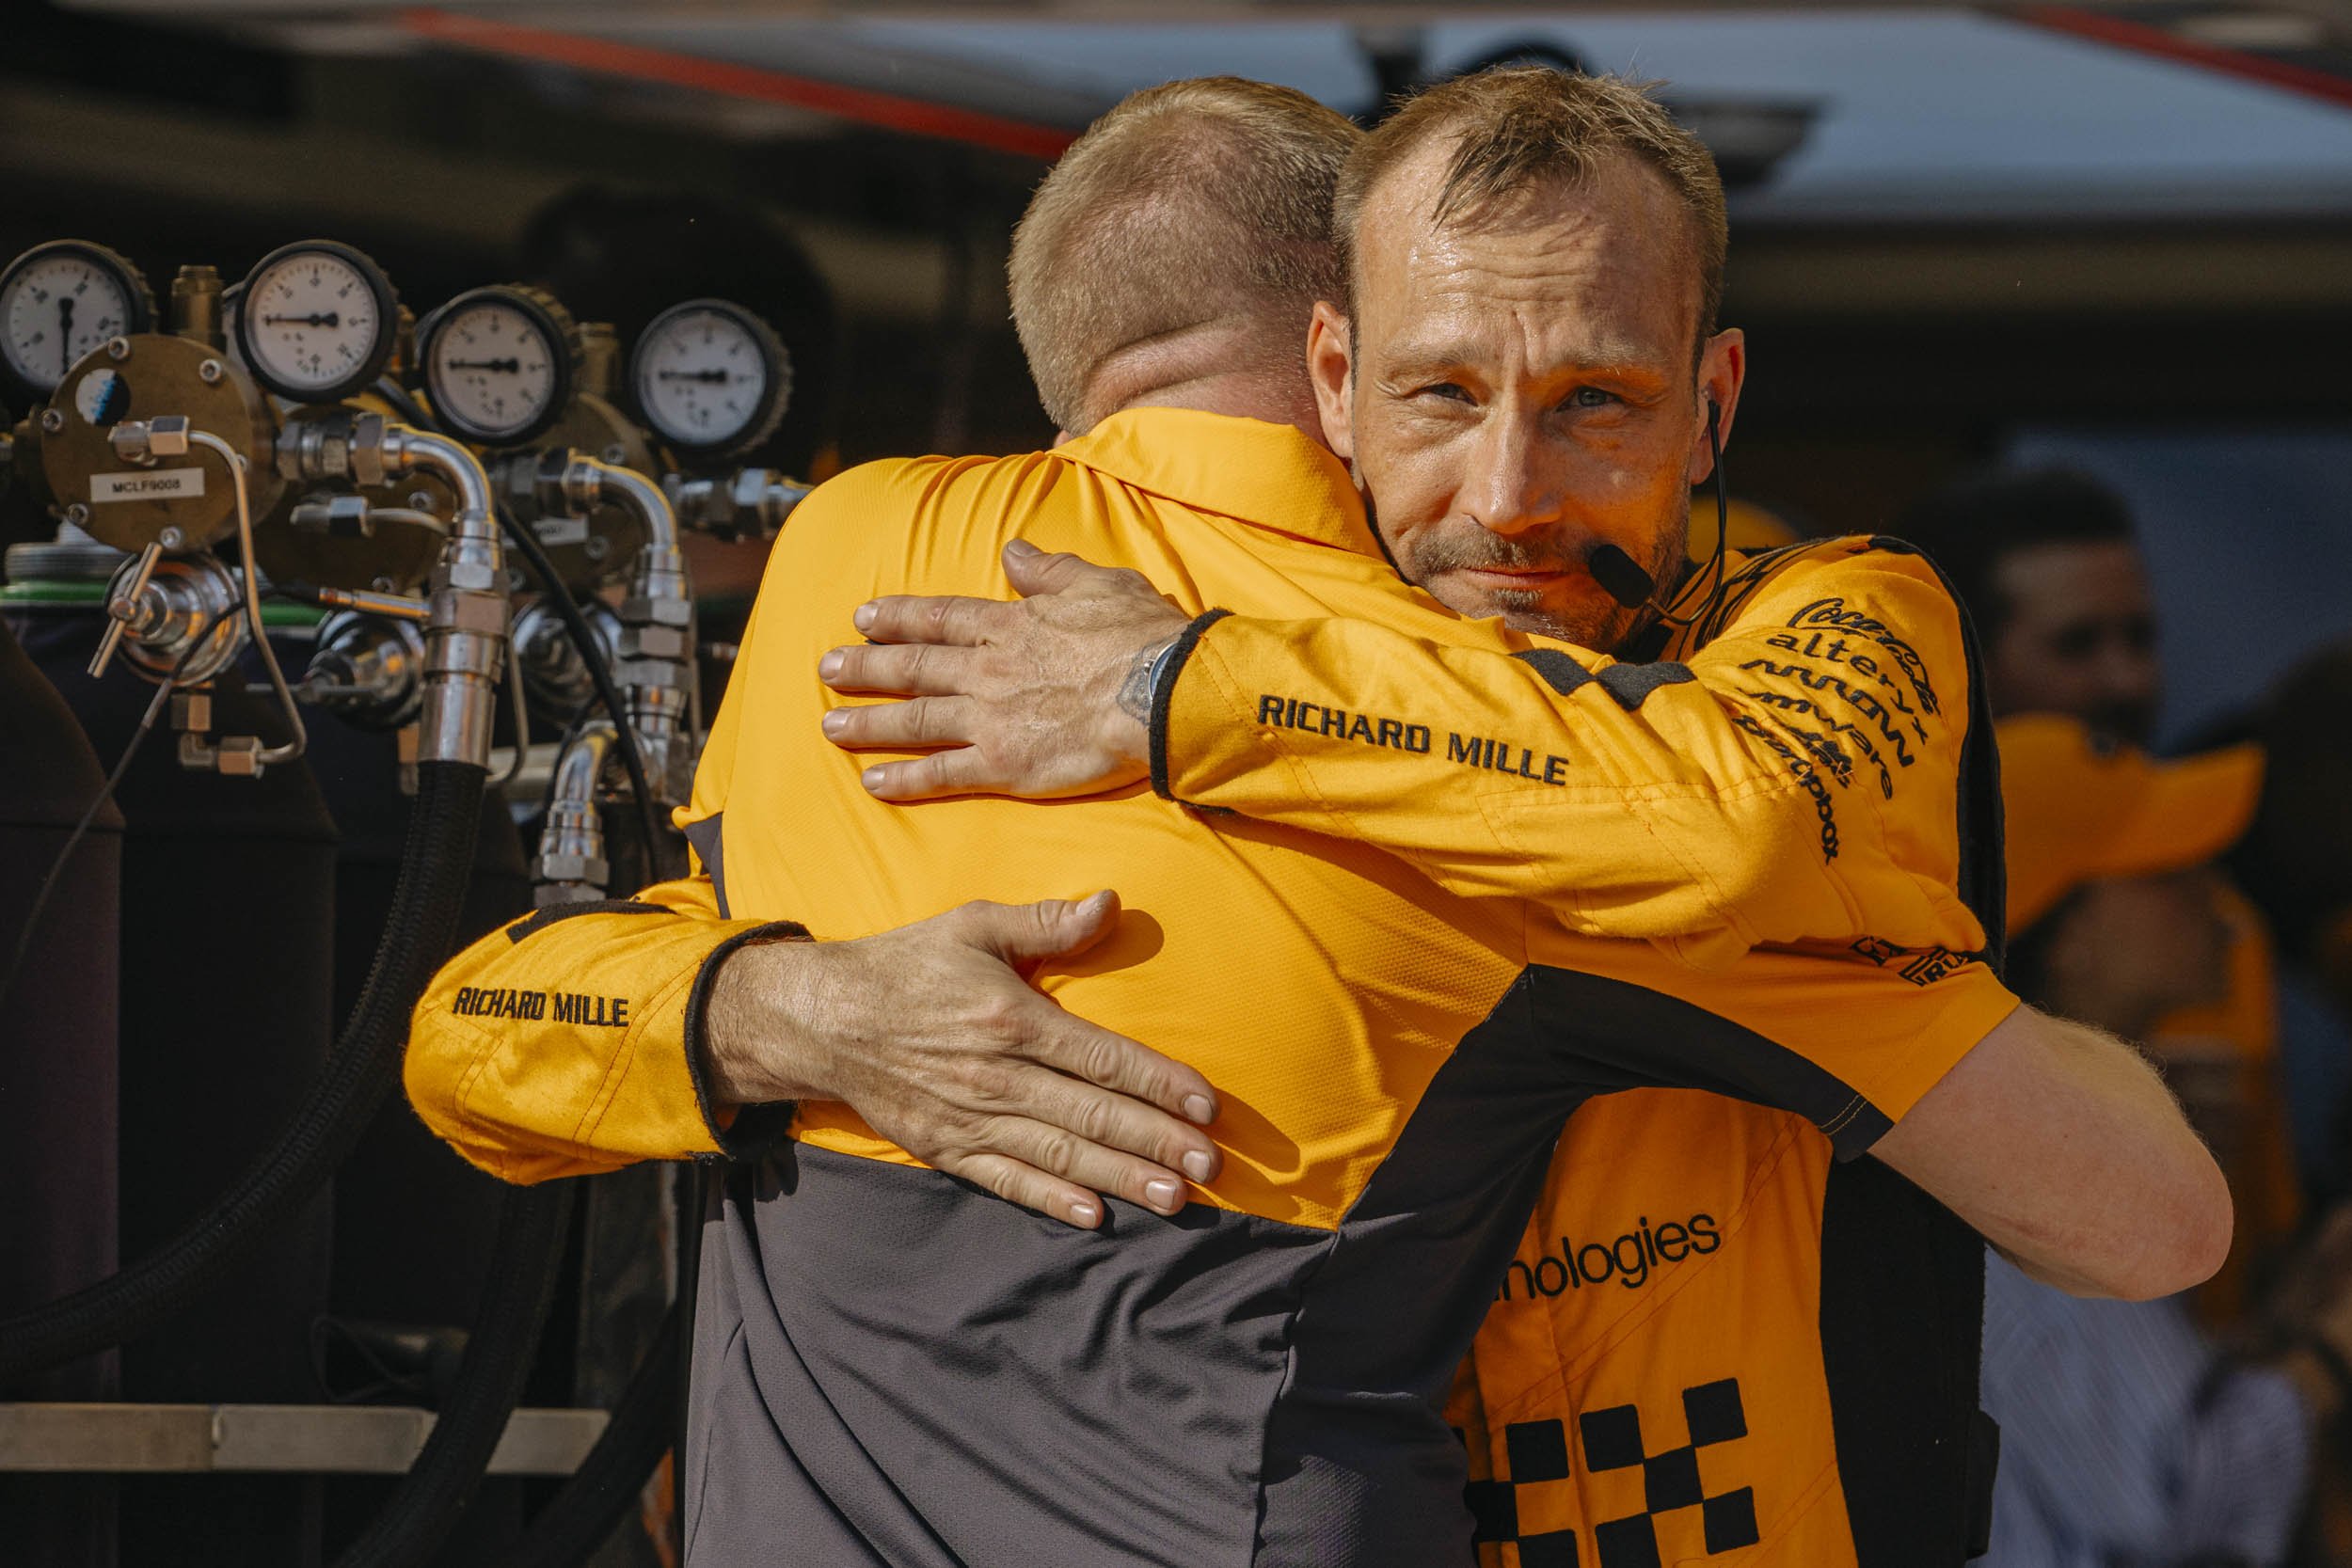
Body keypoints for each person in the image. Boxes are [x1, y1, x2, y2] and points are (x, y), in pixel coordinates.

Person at [406, 73, 2223, 1565]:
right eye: (1442, 394)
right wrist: (787, 1009)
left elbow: (478, 1031)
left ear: (1711, 401)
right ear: (1331, 382)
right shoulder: (926, 613)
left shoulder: (868, 557)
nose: (1507, 497)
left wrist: (1182, 690)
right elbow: (459, 1032)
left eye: (1594, 400)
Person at [1902, 468, 2302, 1322]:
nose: (2124, 680)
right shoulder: (1886, 933)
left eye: (2140, 637)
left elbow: (2258, 1266)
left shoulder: (2217, 922)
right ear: (1962, 667)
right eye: (2077, 644)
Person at [1979, 713, 2352, 1568]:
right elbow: (2184, 1523)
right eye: (2168, 872)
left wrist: (2289, 1320)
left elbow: (2145, 1431)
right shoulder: (2022, 1186)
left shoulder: (2065, 1140)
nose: (2218, 903)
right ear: (2065, 936)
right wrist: (2329, 1349)